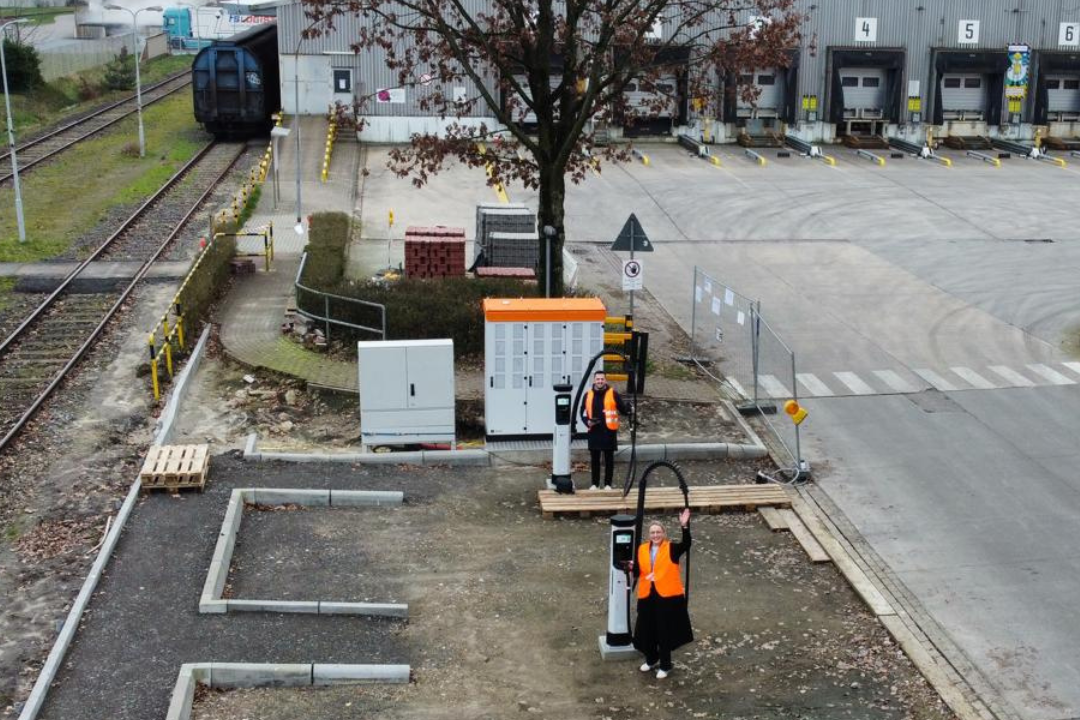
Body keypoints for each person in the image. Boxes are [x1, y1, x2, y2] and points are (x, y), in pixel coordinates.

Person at [630, 508, 693, 679]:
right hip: (647, 595)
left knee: (664, 630)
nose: (655, 535)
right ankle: (651, 659)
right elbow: (637, 570)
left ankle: (665, 665)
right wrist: (630, 568)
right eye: (652, 532)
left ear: (664, 533)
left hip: (666, 597)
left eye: (658, 532)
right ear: (649, 535)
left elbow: (686, 544)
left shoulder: (671, 548)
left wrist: (684, 526)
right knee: (646, 629)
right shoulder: (642, 549)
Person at [581, 370, 632, 490]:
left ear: (605, 380)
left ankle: (608, 484)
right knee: (595, 460)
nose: (600, 381)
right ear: (594, 380)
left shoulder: (613, 393)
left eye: (602, 379)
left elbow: (623, 410)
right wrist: (587, 421)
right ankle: (595, 484)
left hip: (609, 432)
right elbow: (582, 412)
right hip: (594, 431)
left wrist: (630, 409)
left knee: (609, 460)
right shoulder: (587, 395)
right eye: (597, 379)